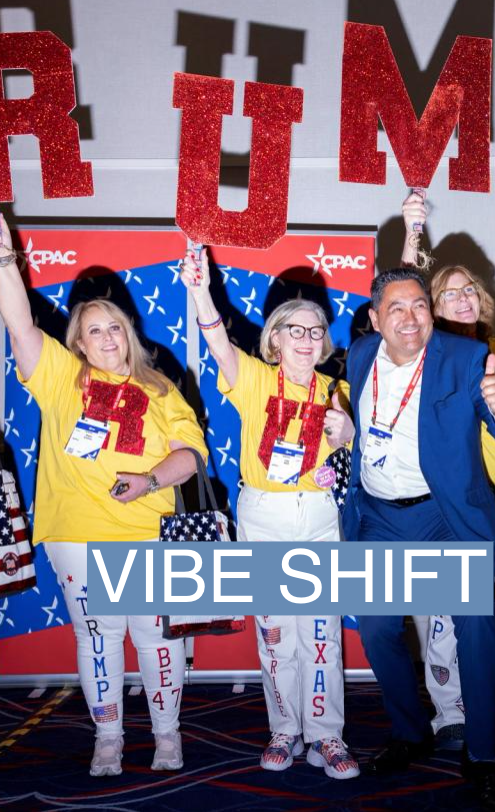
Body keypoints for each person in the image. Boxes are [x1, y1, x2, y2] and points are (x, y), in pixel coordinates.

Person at [0, 209, 207, 777]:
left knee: (154, 636)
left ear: (127, 333)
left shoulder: (160, 388)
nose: (106, 337)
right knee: (98, 636)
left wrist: (150, 480)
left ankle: (166, 736)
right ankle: (108, 737)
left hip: (146, 533)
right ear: (77, 342)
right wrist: (4, 259)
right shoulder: (59, 375)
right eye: (94, 329)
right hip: (76, 533)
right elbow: (18, 322)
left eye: (114, 327)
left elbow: (191, 457)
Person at [342, 267, 495, 812]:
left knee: (474, 630)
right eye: (396, 310)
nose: (410, 319)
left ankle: (482, 755)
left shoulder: (463, 358)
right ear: (375, 319)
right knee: (379, 629)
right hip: (381, 516)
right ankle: (411, 732)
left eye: (419, 307)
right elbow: (364, 427)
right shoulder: (360, 356)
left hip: (445, 515)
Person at [178, 245, 359, 779]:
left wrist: (350, 435)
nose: (307, 340)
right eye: (295, 330)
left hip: (320, 516)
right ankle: (285, 728)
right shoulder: (255, 379)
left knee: (321, 633)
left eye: (315, 331)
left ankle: (327, 735)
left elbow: (364, 452)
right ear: (275, 338)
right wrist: (198, 288)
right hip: (264, 515)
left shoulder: (339, 390)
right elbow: (215, 338)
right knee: (276, 632)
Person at [400, 192, 495, 750]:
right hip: (445, 497)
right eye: (448, 292)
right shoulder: (422, 351)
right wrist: (414, 230)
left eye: (468, 290)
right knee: (442, 611)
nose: (462, 299)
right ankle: (451, 713)